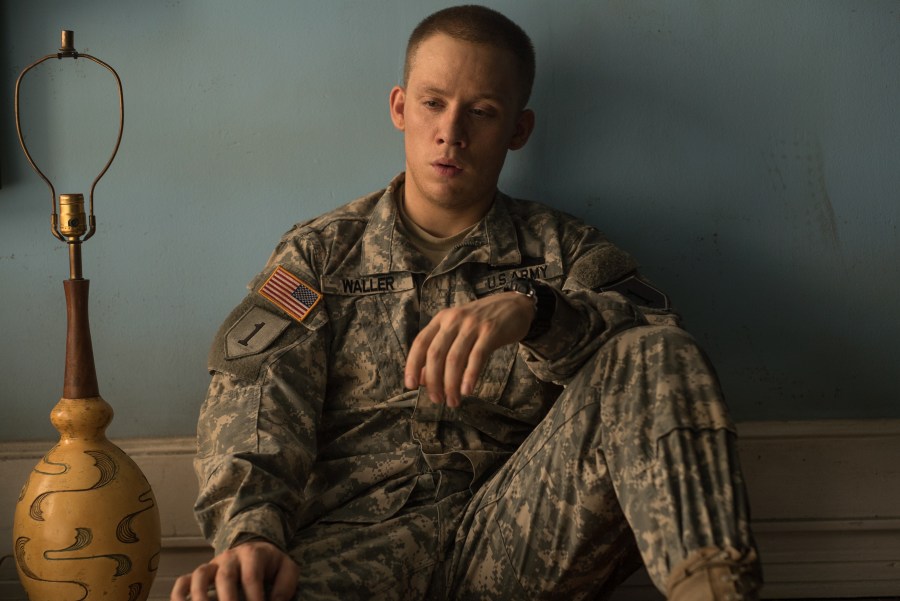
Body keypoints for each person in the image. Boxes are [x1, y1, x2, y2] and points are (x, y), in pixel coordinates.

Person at [171, 5, 761, 601]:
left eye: (481, 112)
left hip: (517, 539)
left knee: (652, 350)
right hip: (356, 546)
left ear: (518, 130)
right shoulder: (320, 256)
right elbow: (256, 402)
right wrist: (250, 535)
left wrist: (537, 311)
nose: (450, 132)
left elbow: (662, 355)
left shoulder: (564, 250)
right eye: (433, 103)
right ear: (400, 108)